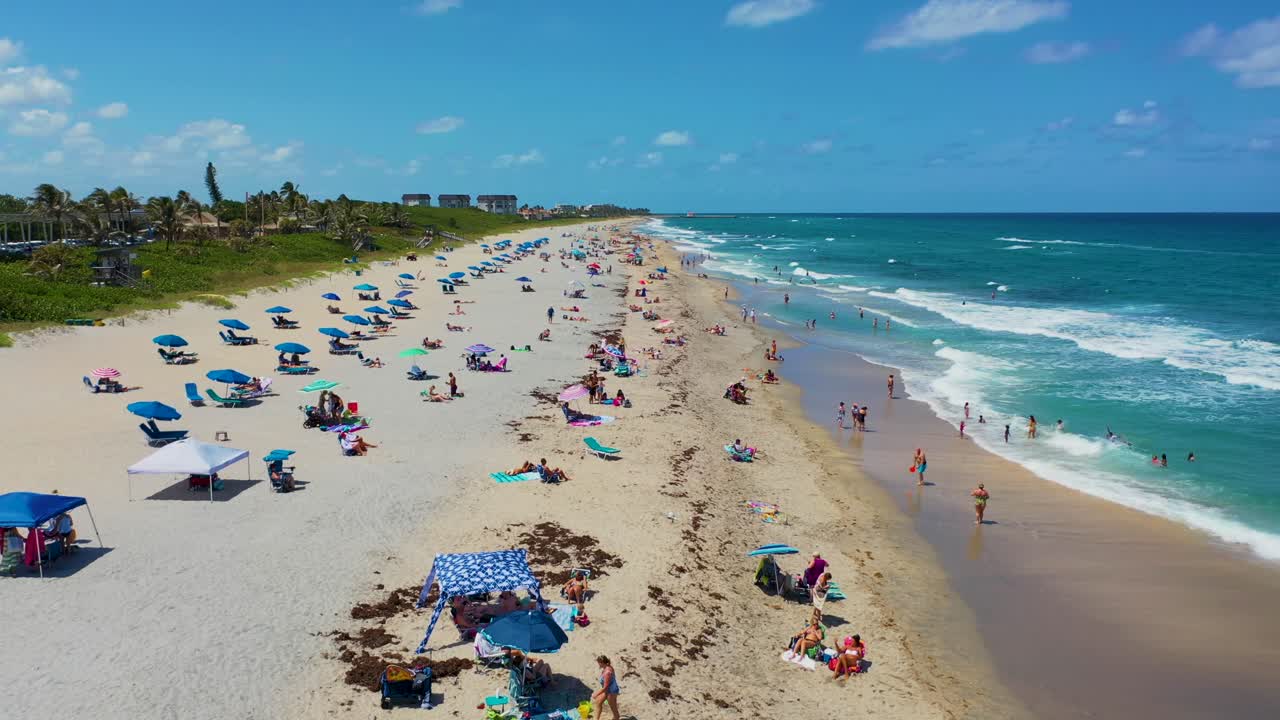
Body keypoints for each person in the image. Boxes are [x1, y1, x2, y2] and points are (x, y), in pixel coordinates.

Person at [592, 655, 621, 720]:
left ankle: (616, 717)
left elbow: (605, 687)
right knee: (598, 702)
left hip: (611, 692)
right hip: (608, 691)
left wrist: (596, 694)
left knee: (613, 708)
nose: (598, 664)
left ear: (601, 663)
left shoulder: (607, 672)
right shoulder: (608, 667)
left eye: (598, 663)